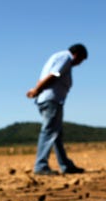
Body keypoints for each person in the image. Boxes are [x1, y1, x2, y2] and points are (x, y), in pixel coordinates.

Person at [26, 43, 88, 175]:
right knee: (49, 132)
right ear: (77, 54)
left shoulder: (57, 57)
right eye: (81, 60)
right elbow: (54, 75)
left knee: (56, 134)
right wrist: (37, 90)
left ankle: (65, 165)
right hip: (51, 100)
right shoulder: (65, 57)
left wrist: (37, 89)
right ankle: (40, 166)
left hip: (47, 99)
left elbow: (44, 76)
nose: (80, 63)